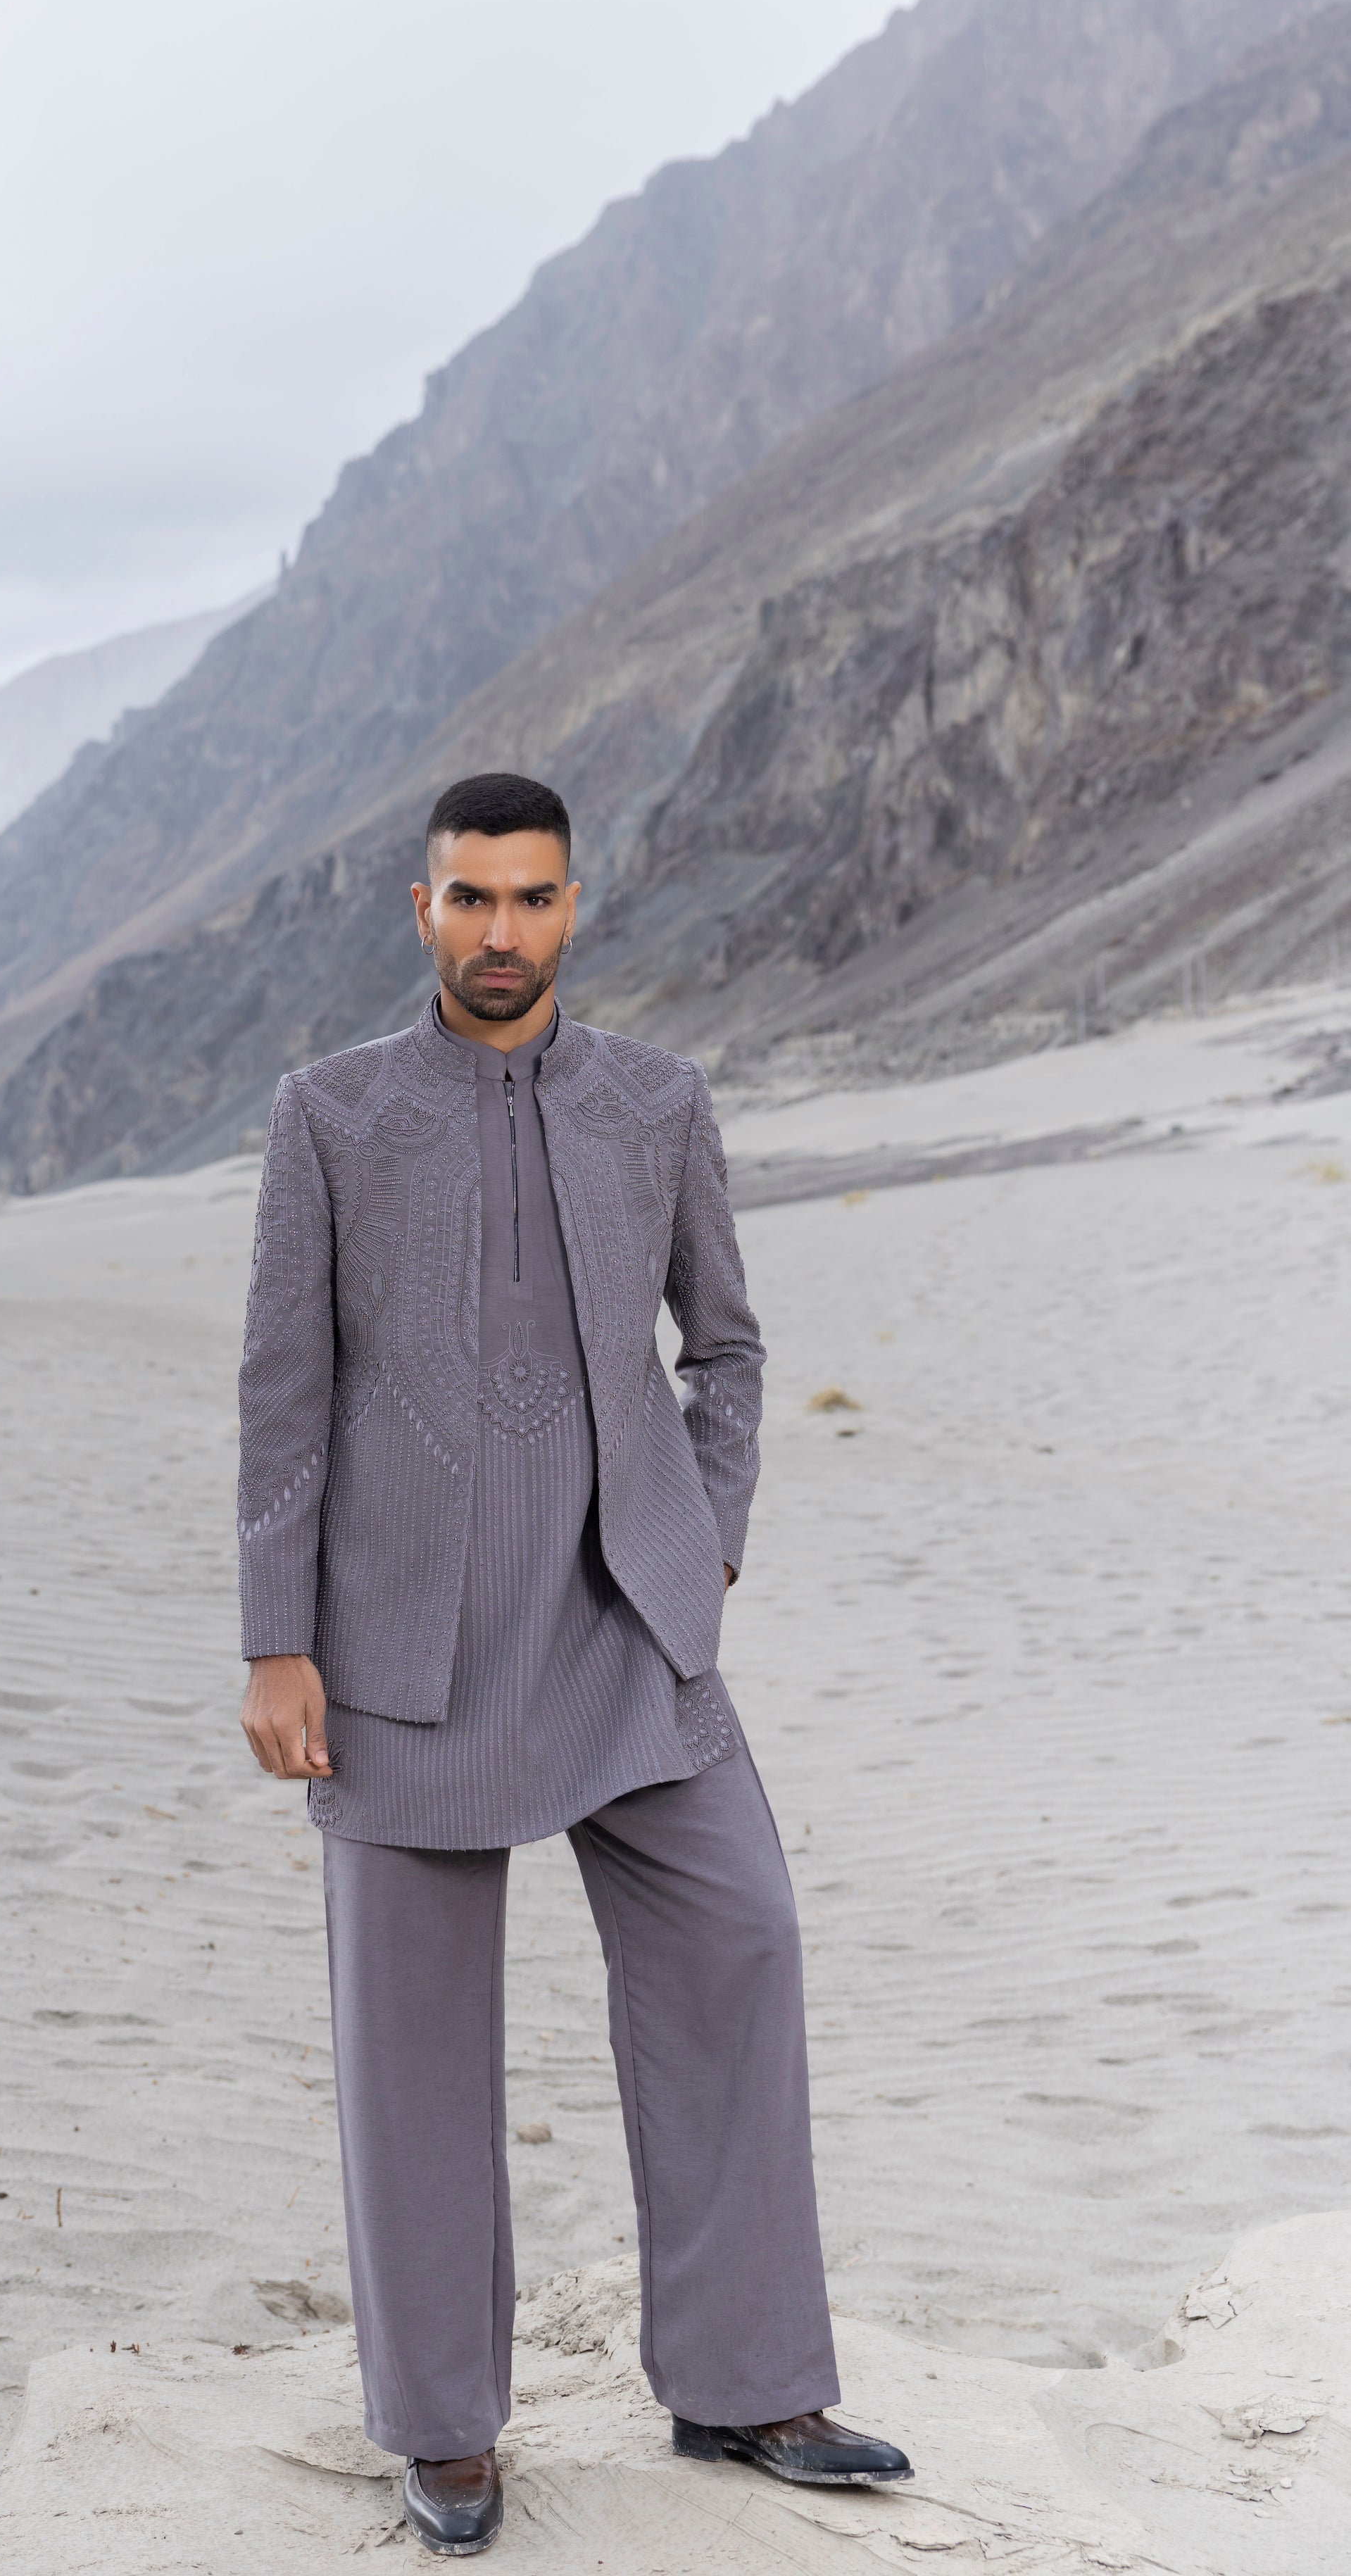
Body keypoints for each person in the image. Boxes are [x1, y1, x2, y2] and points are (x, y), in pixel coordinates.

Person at [236, 770, 910, 2556]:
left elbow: (731, 1347)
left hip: (631, 1630)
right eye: (471, 899)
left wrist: (712, 1533)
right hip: (402, 1654)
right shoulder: (329, 1114)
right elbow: (281, 1391)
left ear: (576, 905)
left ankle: (750, 2379)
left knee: (740, 1939)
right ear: (420, 905)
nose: (501, 933)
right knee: (414, 2041)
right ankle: (445, 2428)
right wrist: (274, 1638)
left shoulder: (655, 1102)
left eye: (531, 899)